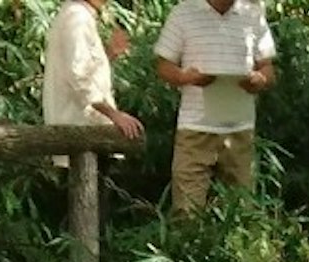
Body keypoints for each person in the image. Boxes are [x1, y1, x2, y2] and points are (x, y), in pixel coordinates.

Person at [153, 0, 276, 211]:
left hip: (240, 128)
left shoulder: (252, 14)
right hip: (195, 127)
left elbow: (268, 69)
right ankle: (187, 243)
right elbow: (164, 66)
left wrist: (259, 80)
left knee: (241, 208)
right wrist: (185, 77)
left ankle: (238, 244)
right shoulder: (184, 12)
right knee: (186, 208)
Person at [42, 0, 147, 143]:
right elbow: (79, 76)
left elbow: (84, 69)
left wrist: (110, 53)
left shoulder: (79, 15)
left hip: (85, 129)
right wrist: (114, 115)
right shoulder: (77, 18)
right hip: (78, 129)